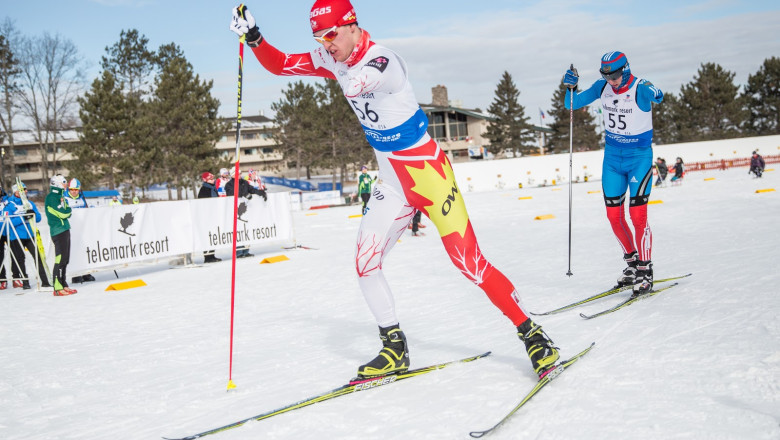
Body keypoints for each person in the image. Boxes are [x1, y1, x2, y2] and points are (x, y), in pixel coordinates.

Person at [230, 1, 560, 379]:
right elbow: (281, 64)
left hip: (431, 177)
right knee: (365, 263)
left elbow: (361, 80)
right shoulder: (334, 55)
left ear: (351, 25)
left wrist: (335, 66)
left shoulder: (383, 60)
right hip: (393, 182)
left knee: (469, 263)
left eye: (331, 34)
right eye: (319, 37)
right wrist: (254, 37)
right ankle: (394, 348)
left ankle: (533, 335)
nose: (326, 43)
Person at [563, 51, 663, 295]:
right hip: (612, 161)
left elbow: (659, 97)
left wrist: (653, 91)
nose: (611, 80)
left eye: (615, 75)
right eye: (606, 75)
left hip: (638, 158)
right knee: (614, 217)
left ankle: (645, 268)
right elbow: (571, 104)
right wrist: (570, 87)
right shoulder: (602, 87)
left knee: (638, 216)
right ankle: (631, 264)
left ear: (626, 69)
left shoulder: (639, 87)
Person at [3, 182, 52, 290]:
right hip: (16, 236)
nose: (25, 191)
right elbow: (7, 221)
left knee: (38, 257)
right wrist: (23, 217)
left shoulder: (29, 203)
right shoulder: (9, 204)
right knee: (20, 259)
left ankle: (45, 281)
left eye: (25, 189)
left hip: (30, 235)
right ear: (16, 192)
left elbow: (38, 218)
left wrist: (32, 214)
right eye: (22, 190)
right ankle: (25, 282)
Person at [224, 168, 267, 258]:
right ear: (232, 175)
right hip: (235, 210)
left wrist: (261, 192)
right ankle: (239, 252)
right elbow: (231, 193)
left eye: (240, 173)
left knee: (245, 230)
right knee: (238, 231)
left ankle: (246, 250)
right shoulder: (229, 184)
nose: (239, 175)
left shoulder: (244, 182)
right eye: (237, 174)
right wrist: (243, 193)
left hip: (245, 210)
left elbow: (251, 189)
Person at [45, 175, 77, 296]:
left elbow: (66, 211)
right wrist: (67, 211)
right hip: (58, 231)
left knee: (65, 259)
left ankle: (63, 284)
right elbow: (64, 213)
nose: (66, 184)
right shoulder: (52, 197)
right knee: (60, 259)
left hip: (64, 229)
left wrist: (67, 210)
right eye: (64, 182)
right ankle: (57, 287)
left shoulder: (60, 196)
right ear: (57, 183)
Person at [64, 178, 96, 284]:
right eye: (72, 189)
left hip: (82, 230)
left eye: (76, 189)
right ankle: (76, 275)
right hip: (71, 230)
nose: (73, 191)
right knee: (74, 252)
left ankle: (86, 273)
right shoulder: (65, 199)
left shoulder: (82, 199)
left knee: (85, 251)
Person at [198, 171, 221, 263]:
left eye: (213, 178)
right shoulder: (204, 189)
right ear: (206, 180)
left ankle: (212, 255)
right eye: (211, 179)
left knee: (213, 236)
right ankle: (207, 257)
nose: (213, 180)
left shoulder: (214, 188)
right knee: (207, 236)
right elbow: (202, 203)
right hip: (207, 216)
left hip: (213, 215)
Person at [0, 184, 8, 290]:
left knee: (16, 255)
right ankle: (2, 279)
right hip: (0, 232)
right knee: (0, 257)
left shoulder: (6, 200)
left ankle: (17, 277)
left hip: (10, 230)